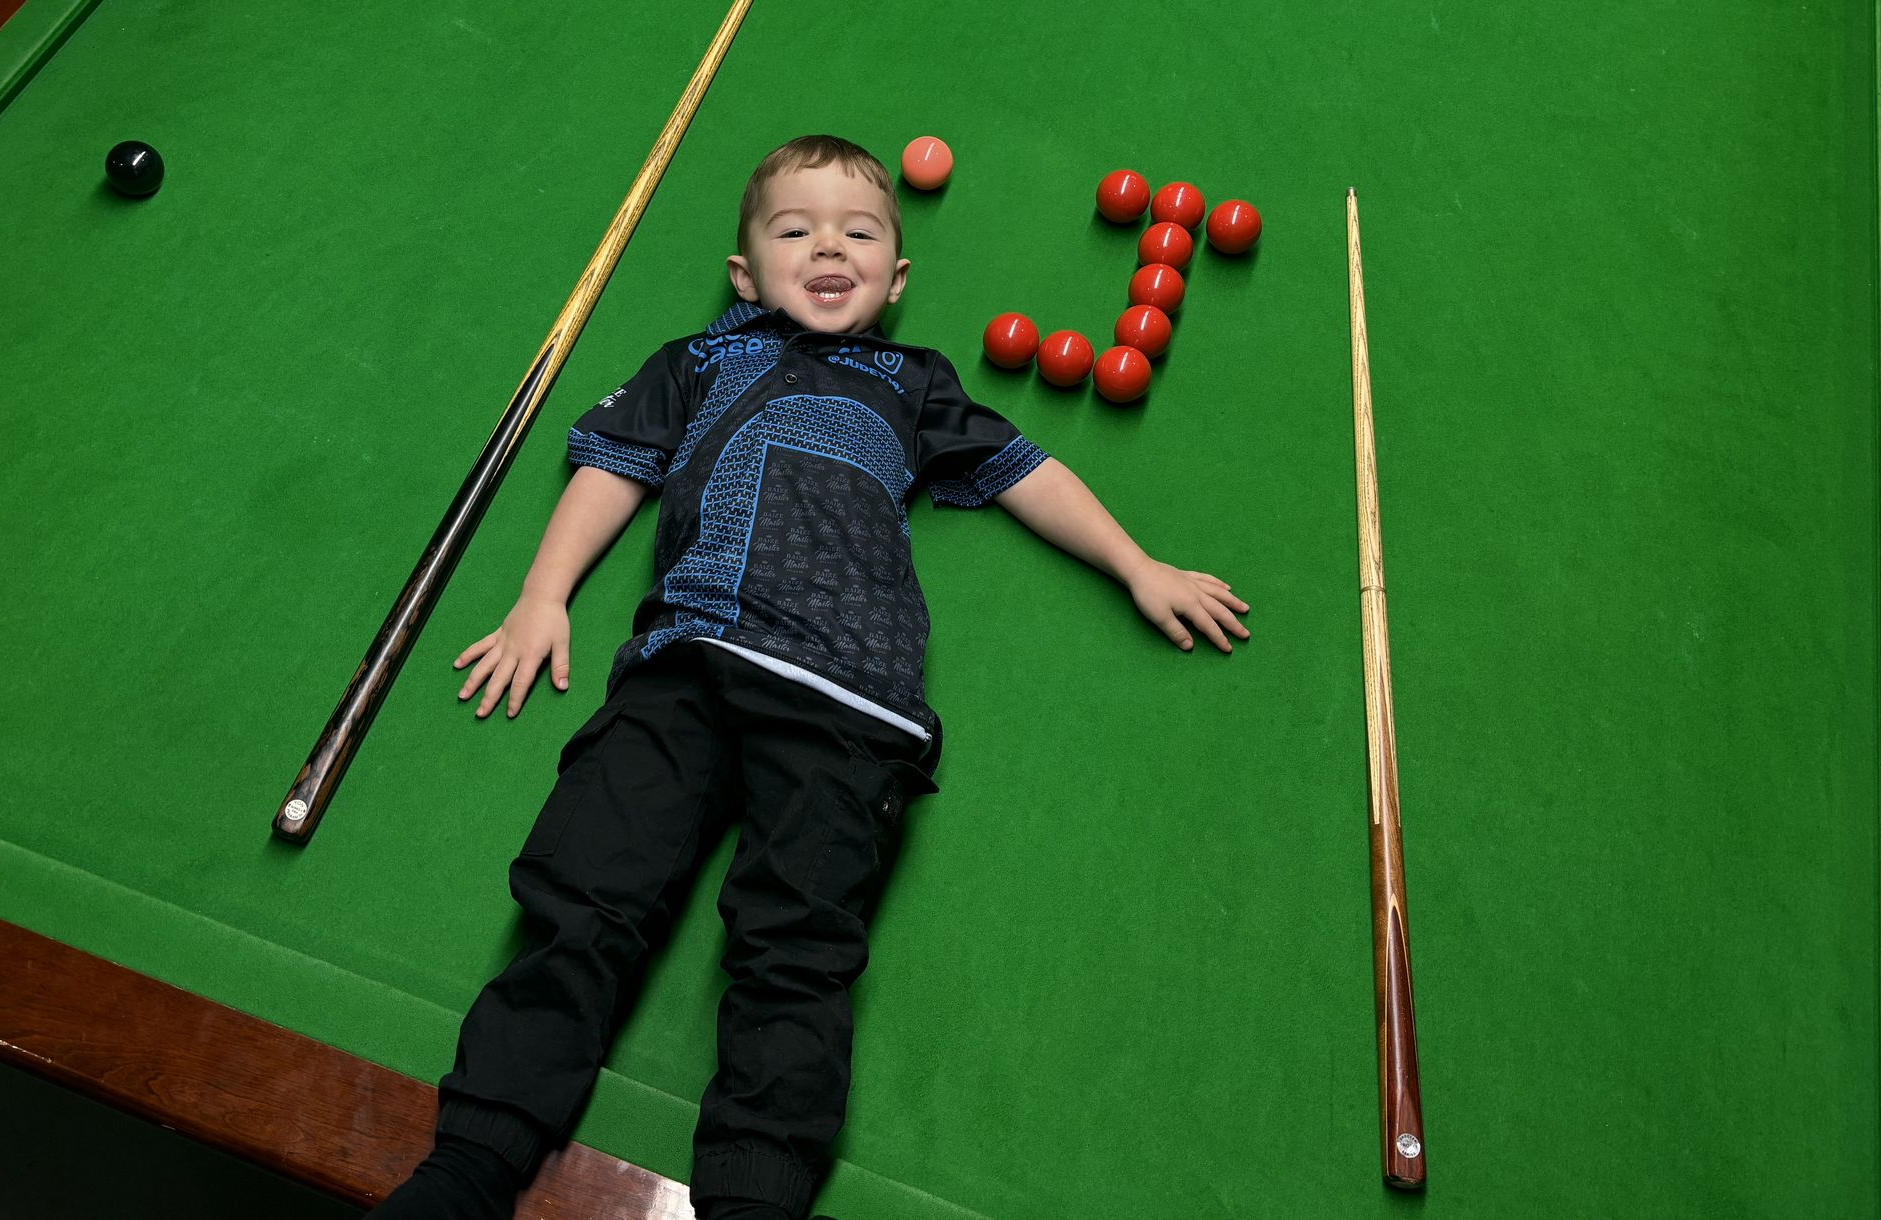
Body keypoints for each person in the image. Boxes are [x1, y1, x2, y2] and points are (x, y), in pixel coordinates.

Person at [371, 134, 1251, 1220]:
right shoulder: (692, 360)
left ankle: (751, 1203)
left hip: (848, 703)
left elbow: (1027, 471)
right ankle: (466, 1169)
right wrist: (542, 593)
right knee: (582, 896)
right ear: (745, 273)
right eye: (794, 230)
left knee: (796, 952)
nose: (827, 244)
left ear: (895, 278)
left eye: (859, 231)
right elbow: (613, 465)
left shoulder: (916, 381)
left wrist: (1135, 563)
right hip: (684, 670)